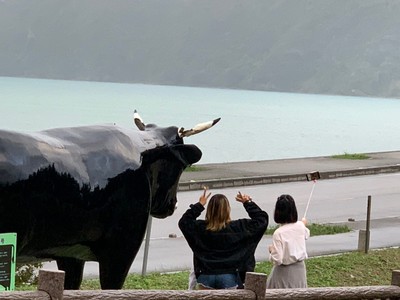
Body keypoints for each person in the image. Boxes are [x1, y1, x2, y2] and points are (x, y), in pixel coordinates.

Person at [179, 187, 269, 290]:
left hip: (206, 274)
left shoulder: (200, 228)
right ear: (228, 209)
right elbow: (262, 220)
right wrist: (248, 202)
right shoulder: (239, 228)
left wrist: (199, 205)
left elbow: (184, 222)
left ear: (209, 210)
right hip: (231, 275)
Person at [266, 194, 310, 289]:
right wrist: (303, 223)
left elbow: (277, 259)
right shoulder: (300, 226)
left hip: (283, 271)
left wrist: (271, 250)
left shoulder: (278, 233)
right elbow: (306, 234)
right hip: (300, 269)